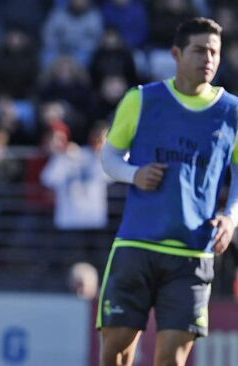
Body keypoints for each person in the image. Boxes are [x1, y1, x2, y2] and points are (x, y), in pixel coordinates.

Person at [97, 17, 238, 366]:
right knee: (116, 352)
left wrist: (232, 217)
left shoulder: (232, 112)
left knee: (171, 361)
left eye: (215, 52)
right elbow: (110, 156)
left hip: (194, 252)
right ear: (176, 53)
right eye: (200, 50)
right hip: (136, 245)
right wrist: (133, 174)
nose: (208, 58)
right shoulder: (142, 100)